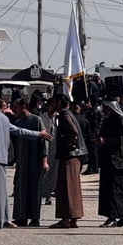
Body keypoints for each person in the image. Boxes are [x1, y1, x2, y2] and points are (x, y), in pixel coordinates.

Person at [0, 93, 52, 229]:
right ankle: (3, 219)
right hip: (1, 159)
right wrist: (38, 134)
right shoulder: (4, 118)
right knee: (0, 192)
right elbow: (19, 131)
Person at [98, 100, 123, 227]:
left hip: (120, 162)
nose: (103, 110)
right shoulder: (108, 119)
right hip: (110, 162)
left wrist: (106, 141)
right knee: (112, 191)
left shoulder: (120, 120)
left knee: (116, 191)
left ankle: (113, 217)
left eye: (105, 107)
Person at [48, 95, 85, 229]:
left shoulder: (64, 115)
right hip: (74, 157)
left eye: (53, 103)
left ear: (58, 103)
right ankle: (73, 218)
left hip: (68, 156)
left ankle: (65, 219)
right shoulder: (70, 114)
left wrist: (70, 143)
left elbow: (73, 131)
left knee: (65, 188)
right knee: (73, 189)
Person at [11, 97, 49, 227]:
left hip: (35, 160)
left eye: (15, 106)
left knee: (35, 189)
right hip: (22, 161)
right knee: (21, 188)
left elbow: (44, 141)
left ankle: (35, 217)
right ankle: (21, 217)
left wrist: (44, 161)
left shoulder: (37, 120)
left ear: (23, 106)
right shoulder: (18, 122)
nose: (13, 109)